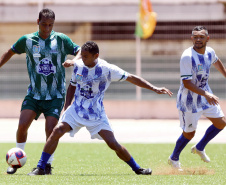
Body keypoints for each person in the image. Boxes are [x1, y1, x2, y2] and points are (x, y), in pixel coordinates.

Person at [27, 41, 173, 175]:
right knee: (57, 131)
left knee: (112, 143)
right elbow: (72, 85)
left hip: (96, 113)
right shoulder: (78, 65)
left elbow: (131, 77)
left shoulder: (107, 69)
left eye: (86, 56)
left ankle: (137, 169)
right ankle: (41, 167)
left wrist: (154, 88)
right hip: (76, 110)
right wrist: (66, 107)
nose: (82, 59)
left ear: (96, 56)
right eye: (81, 56)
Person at [0, 8, 81, 175]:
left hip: (56, 95)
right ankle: (15, 162)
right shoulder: (28, 40)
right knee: (22, 125)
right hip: (34, 93)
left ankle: (47, 165)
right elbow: (10, 52)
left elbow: (80, 50)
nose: (47, 28)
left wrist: (74, 60)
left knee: (51, 130)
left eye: (50, 25)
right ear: (38, 22)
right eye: (44, 24)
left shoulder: (61, 40)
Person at [168, 26, 226, 171]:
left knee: (221, 123)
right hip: (189, 101)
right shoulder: (187, 56)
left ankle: (200, 147)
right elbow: (187, 83)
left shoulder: (210, 51)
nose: (198, 39)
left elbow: (216, 61)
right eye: (195, 37)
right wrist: (206, 94)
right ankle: (173, 158)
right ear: (191, 38)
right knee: (189, 133)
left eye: (201, 37)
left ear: (207, 38)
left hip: (206, 96)